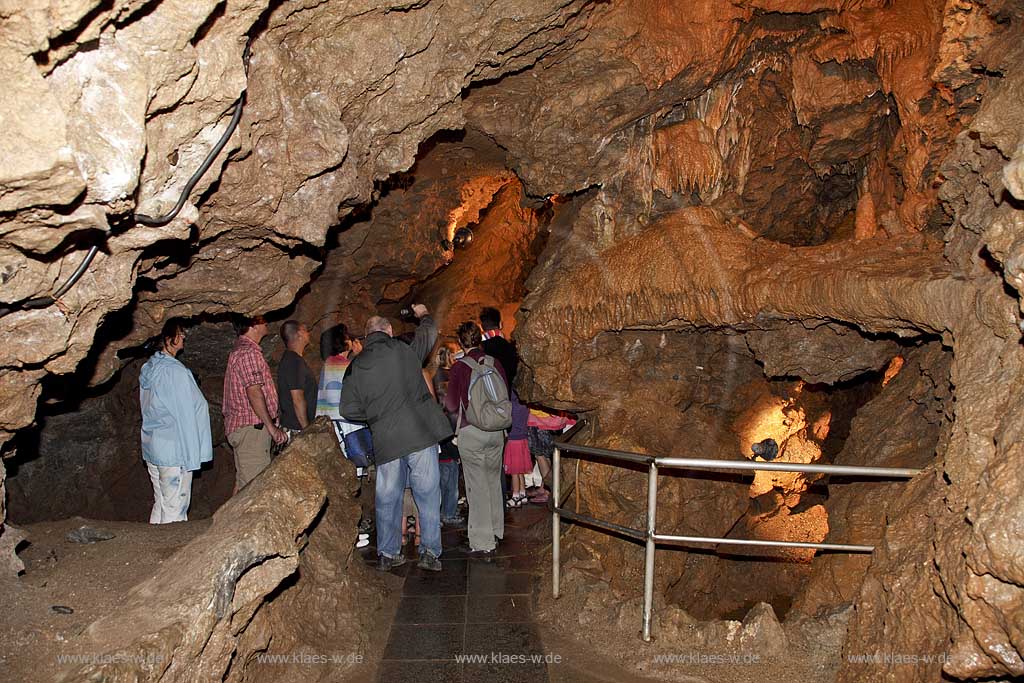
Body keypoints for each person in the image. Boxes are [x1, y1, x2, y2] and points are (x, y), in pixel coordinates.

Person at [340, 305, 452, 572]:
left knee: (388, 498)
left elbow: (347, 409)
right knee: (427, 495)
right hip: (420, 434)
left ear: (367, 337)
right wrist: (424, 313)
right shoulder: (406, 350)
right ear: (389, 331)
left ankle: (389, 553)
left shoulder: (356, 366)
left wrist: (374, 415)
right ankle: (430, 553)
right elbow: (430, 331)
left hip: (387, 440)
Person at [139, 318, 212, 523]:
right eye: (180, 333)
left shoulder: (150, 368)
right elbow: (185, 415)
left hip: (155, 446)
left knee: (161, 502)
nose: (184, 336)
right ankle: (169, 553)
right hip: (174, 450)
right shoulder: (175, 371)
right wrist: (191, 457)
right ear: (168, 338)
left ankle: (151, 549)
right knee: (175, 508)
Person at [445, 321, 508, 556]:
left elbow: (452, 404)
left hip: (471, 431)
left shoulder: (460, 368)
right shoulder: (495, 363)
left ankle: (483, 542)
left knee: (477, 486)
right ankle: (495, 530)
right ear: (480, 340)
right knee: (493, 480)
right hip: (496, 430)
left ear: (461, 342)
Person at [315, 324, 370, 548]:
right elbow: (362, 389)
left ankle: (351, 531)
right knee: (350, 478)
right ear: (344, 342)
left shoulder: (330, 364)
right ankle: (350, 533)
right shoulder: (342, 365)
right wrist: (360, 356)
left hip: (333, 428)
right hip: (345, 429)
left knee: (344, 479)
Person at [223, 314, 286, 492]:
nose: (266, 321)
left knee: (245, 484)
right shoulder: (248, 353)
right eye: (262, 319)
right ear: (253, 324)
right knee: (255, 490)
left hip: (249, 429)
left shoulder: (244, 350)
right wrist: (271, 427)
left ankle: (229, 520)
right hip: (252, 429)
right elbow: (254, 391)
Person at [433, 342, 465, 527]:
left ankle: (442, 512)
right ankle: (448, 512)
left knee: (441, 485)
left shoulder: (435, 376)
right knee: (450, 485)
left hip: (440, 455)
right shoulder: (449, 416)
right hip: (449, 455)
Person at [276, 320, 316, 436]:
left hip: (296, 426)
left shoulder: (292, 359)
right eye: (305, 330)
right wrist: (306, 430)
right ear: (299, 334)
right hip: (297, 429)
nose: (308, 333)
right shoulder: (293, 361)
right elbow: (297, 398)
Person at [480, 306, 518, 387]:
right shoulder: (511, 348)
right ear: (500, 324)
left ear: (482, 326)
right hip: (506, 395)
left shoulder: (479, 350)